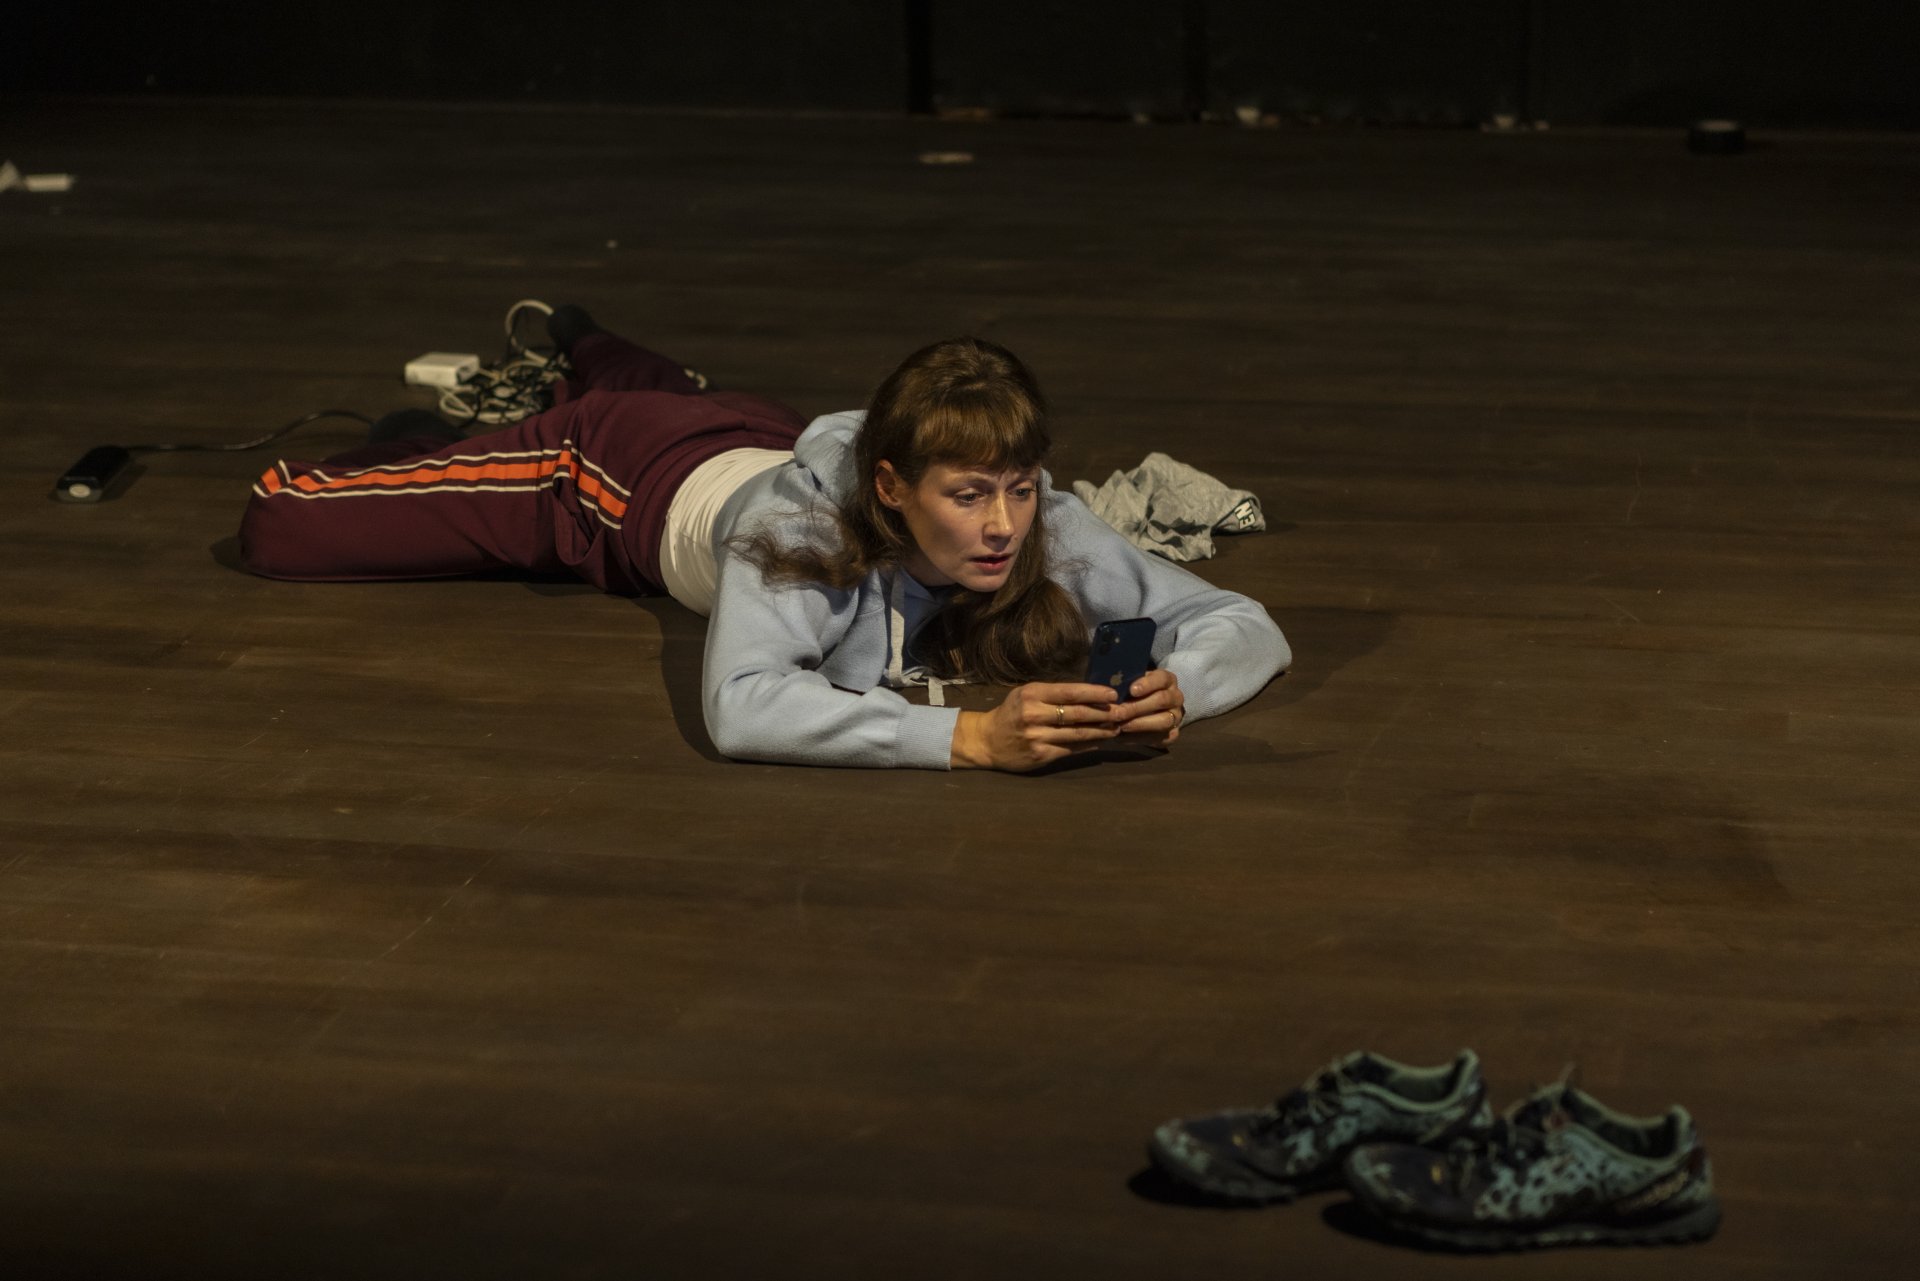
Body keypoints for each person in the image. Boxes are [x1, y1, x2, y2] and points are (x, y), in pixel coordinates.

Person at [239, 307, 1290, 771]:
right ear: (891, 487)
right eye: (971, 495)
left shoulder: (1037, 518)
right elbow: (743, 707)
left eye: (1019, 488)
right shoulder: (800, 530)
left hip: (749, 430)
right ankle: (440, 434)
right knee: (287, 526)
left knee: (673, 393)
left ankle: (585, 334)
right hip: (603, 475)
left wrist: (1179, 686)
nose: (1004, 523)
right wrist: (970, 741)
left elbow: (1240, 620)